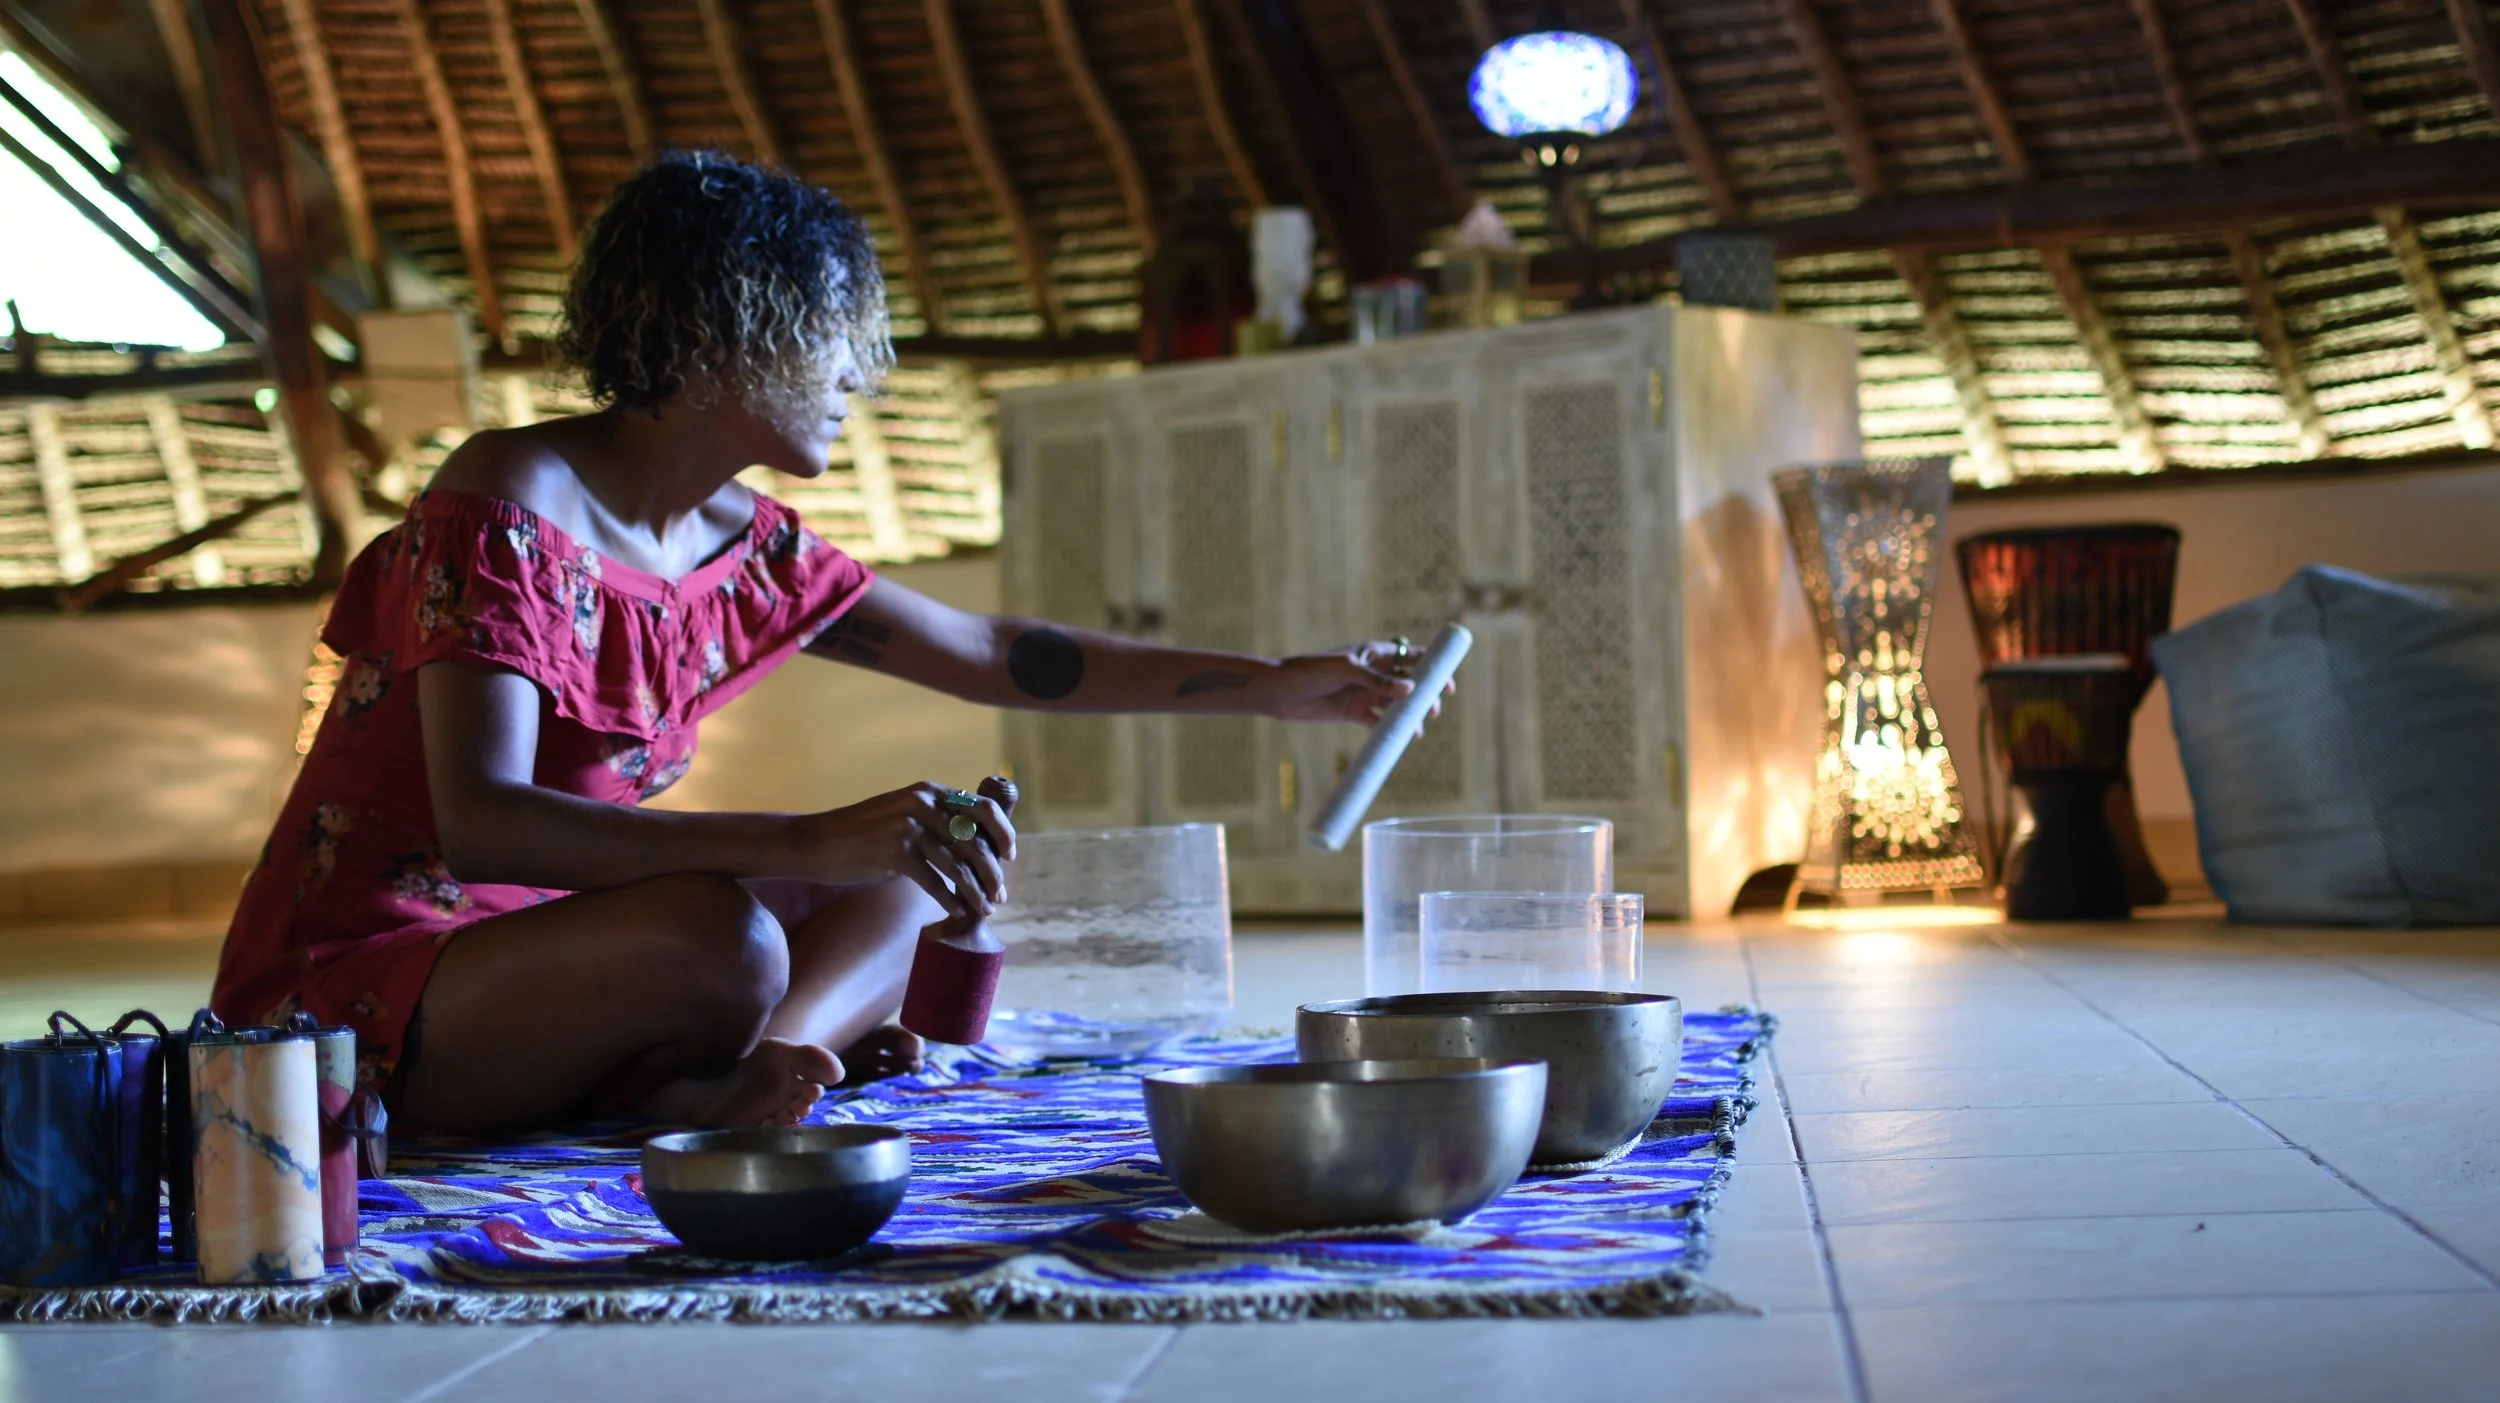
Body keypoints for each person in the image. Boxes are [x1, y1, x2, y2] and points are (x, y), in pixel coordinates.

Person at [210, 152, 1428, 1135]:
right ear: (727, 331)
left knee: (911, 866)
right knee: (722, 936)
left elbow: (991, 649)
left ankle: (767, 1073)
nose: (859, 376)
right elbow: (486, 825)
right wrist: (804, 839)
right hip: (364, 996)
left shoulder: (741, 547)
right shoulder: (511, 494)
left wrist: (1276, 687)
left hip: (560, 959)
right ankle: (702, 1069)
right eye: (837, 332)